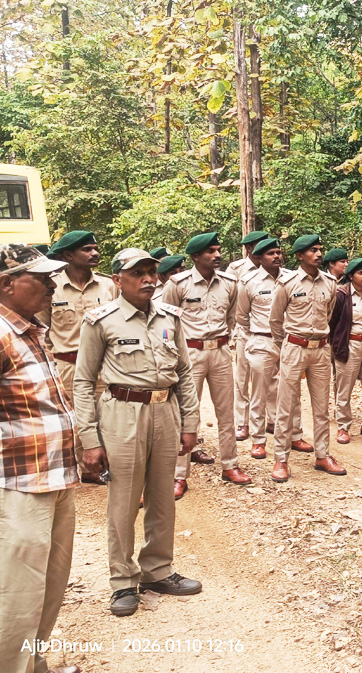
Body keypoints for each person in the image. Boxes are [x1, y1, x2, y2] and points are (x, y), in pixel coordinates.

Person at [74, 248, 203, 617]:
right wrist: (90, 439)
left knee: (163, 497)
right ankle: (123, 582)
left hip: (165, 412)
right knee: (123, 502)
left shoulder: (169, 317)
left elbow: (185, 373)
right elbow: (83, 382)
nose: (149, 279)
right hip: (121, 414)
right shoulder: (101, 321)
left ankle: (157, 570)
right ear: (118, 280)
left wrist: (190, 423)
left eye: (152, 272)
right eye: (139, 273)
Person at [0, 244, 83, 673]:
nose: (53, 286)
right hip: (19, 486)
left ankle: (32, 665)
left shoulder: (30, 329)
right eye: (42, 278)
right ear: (7, 284)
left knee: (50, 584)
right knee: (18, 592)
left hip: (55, 477)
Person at [162, 233, 251, 498]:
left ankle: (230, 465)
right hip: (190, 353)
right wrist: (173, 356)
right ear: (196, 257)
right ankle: (179, 475)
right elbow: (165, 323)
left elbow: (233, 316)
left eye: (218, 250)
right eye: (210, 251)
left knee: (227, 412)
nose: (217, 255)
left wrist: (224, 341)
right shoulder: (178, 284)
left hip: (221, 351)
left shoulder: (229, 282)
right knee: (186, 414)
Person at [38, 231, 119, 484]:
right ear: (68, 255)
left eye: (95, 248)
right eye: (86, 249)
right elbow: (42, 329)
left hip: (103, 365)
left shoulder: (108, 286)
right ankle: (83, 468)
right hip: (68, 365)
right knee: (74, 418)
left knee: (108, 416)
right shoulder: (51, 286)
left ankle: (108, 467)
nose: (94, 253)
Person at [268, 235, 347, 482]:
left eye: (320, 250)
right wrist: (289, 345)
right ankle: (281, 459)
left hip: (321, 349)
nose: (319, 254)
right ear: (300, 255)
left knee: (322, 406)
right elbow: (275, 320)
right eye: (313, 250)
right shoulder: (287, 283)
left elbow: (329, 313)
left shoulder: (330, 283)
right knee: (286, 405)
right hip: (294, 347)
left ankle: (323, 455)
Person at [235, 238, 308, 461]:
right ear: (259, 257)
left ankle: (295, 435)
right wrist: (256, 337)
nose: (276, 256)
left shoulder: (292, 279)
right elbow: (241, 316)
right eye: (270, 254)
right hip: (262, 341)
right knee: (260, 391)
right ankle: (258, 440)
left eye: (278, 252)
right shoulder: (249, 281)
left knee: (292, 391)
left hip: (289, 342)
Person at [330, 258, 362, 445]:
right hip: (349, 344)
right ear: (351, 276)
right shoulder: (342, 294)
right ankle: (343, 426)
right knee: (345, 387)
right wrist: (336, 345)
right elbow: (332, 322)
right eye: (361, 273)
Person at [231, 231, 270, 441]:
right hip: (245, 331)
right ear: (248, 248)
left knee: (269, 379)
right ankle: (242, 422)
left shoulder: (276, 270)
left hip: (267, 333)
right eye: (257, 246)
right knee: (242, 378)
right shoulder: (236, 269)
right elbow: (234, 304)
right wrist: (243, 329)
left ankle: (269, 420)